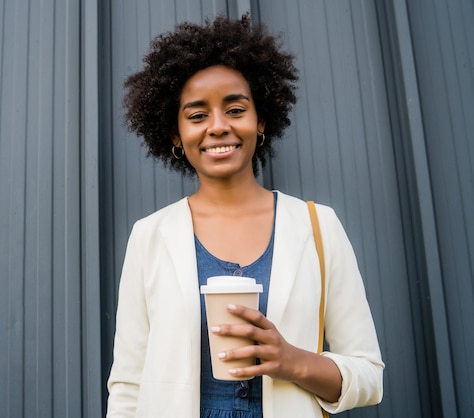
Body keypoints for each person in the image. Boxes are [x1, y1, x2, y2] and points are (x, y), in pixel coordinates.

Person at [106, 14, 384, 418]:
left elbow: (369, 376)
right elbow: (128, 386)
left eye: (235, 109)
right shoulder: (150, 236)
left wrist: (293, 361)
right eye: (198, 115)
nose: (218, 127)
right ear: (175, 135)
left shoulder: (318, 226)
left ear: (261, 120)